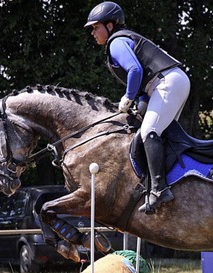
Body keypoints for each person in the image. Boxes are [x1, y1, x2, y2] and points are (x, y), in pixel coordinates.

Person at [84, 1, 191, 214]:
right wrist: (137, 105)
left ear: (110, 25)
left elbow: (134, 70)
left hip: (166, 83)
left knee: (150, 131)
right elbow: (142, 82)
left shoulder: (116, 42)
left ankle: (159, 189)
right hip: (164, 84)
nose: (93, 33)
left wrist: (127, 98)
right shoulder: (120, 41)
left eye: (96, 27)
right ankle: (163, 184)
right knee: (149, 131)